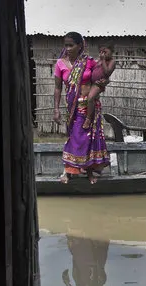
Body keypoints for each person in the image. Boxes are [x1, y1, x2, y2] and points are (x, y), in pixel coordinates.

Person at [53, 31, 111, 184]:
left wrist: (103, 82)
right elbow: (58, 88)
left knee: (89, 137)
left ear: (80, 46)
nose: (68, 48)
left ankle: (90, 171)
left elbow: (102, 75)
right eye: (66, 45)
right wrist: (56, 109)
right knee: (74, 137)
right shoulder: (60, 64)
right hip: (73, 106)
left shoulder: (89, 62)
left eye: (71, 45)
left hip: (90, 105)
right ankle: (68, 171)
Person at [83, 42, 116, 130]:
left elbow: (107, 72)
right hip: (92, 83)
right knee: (87, 98)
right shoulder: (99, 60)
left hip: (98, 85)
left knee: (90, 98)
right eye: (101, 52)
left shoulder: (112, 61)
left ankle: (88, 119)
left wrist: (103, 60)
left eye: (105, 52)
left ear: (111, 51)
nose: (103, 54)